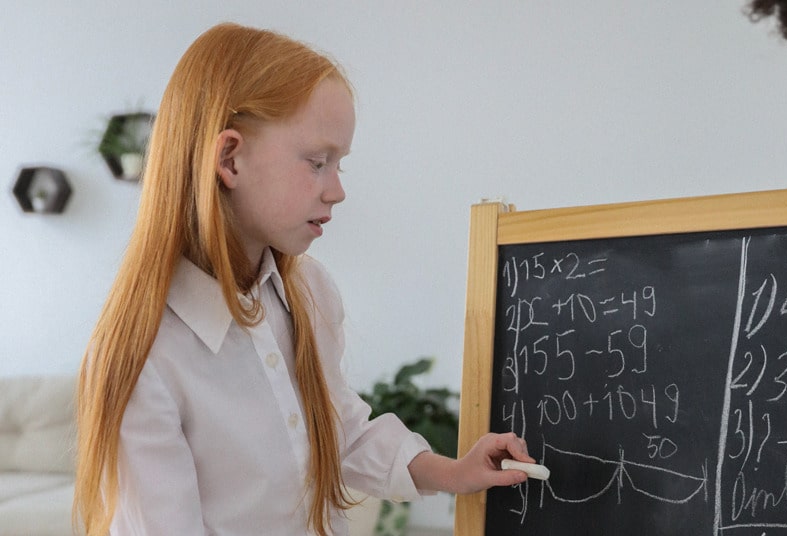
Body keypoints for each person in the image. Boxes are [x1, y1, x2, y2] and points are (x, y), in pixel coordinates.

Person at [74, 22, 535, 536]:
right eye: (318, 162)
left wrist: (453, 472)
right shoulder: (145, 355)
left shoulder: (308, 293)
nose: (336, 190)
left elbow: (339, 433)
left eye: (340, 165)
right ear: (230, 158)